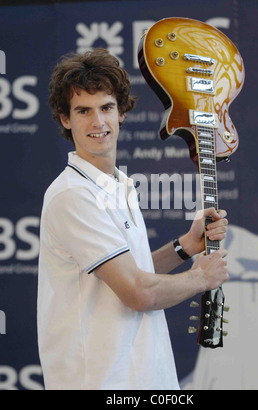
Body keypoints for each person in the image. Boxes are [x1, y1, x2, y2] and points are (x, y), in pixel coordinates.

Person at [37, 48, 228, 390]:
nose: (98, 122)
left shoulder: (118, 184)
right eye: (83, 111)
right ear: (65, 119)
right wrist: (201, 277)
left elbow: (133, 273)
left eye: (107, 108)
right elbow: (138, 292)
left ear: (122, 112)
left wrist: (185, 246)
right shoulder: (73, 196)